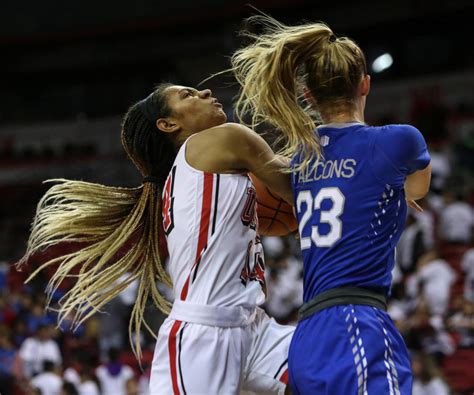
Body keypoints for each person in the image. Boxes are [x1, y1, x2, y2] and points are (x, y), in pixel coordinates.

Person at [19, 83, 295, 394]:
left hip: (252, 326)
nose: (204, 92)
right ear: (168, 124)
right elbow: (297, 183)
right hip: (202, 338)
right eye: (188, 94)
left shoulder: (194, 173)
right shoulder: (220, 141)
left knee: (339, 376)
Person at [231, 15, 432, 394]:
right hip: (357, 323)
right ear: (365, 84)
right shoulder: (399, 141)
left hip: (308, 335)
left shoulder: (299, 159)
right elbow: (418, 187)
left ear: (308, 96)